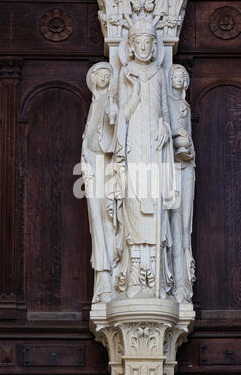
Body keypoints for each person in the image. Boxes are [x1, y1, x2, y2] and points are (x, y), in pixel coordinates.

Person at [114, 19, 176, 298]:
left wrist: (164, 124)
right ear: (130, 46)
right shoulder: (125, 73)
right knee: (135, 202)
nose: (143, 47)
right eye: (138, 42)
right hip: (133, 145)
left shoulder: (159, 74)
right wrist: (136, 91)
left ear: (153, 47)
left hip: (154, 144)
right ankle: (136, 272)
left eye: (148, 43)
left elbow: (164, 106)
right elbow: (122, 117)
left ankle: (156, 277)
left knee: (155, 202)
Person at [81, 62, 117, 303]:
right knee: (97, 220)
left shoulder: (112, 103)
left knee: (108, 217)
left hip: (109, 168)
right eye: (99, 74)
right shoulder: (96, 103)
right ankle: (103, 277)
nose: (103, 77)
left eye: (107, 74)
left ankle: (112, 275)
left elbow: (116, 133)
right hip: (91, 167)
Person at [168, 64, 196, 303]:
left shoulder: (185, 105)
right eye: (174, 75)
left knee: (184, 226)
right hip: (170, 168)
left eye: (182, 76)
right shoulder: (167, 104)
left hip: (186, 167)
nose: (178, 79)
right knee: (174, 225)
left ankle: (183, 284)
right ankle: (174, 283)